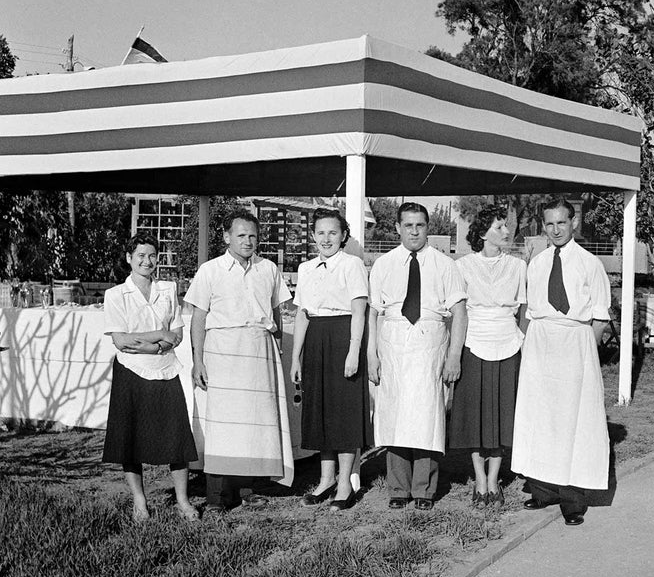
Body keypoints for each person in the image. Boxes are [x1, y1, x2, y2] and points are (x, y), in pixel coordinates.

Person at [184, 210, 294, 513]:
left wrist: (278, 349)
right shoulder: (210, 270)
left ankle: (247, 490)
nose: (248, 241)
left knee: (253, 425)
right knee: (224, 426)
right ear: (226, 236)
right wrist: (198, 360)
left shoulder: (268, 269)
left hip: (259, 350)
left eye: (253, 236)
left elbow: (275, 314)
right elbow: (199, 318)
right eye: (241, 235)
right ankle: (218, 498)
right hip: (222, 352)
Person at [511, 198, 611, 526]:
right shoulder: (537, 263)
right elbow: (528, 311)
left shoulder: (589, 263)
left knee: (574, 420)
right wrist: (526, 345)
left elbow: (599, 317)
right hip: (541, 342)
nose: (556, 230)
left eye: (562, 223)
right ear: (544, 225)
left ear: (574, 223)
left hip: (574, 342)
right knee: (541, 416)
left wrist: (587, 355)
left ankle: (572, 499)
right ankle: (543, 489)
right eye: (550, 224)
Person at [368, 202, 466, 510]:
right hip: (393, 342)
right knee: (394, 414)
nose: (414, 231)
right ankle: (398, 488)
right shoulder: (384, 264)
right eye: (408, 225)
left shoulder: (444, 264)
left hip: (429, 342)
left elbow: (460, 313)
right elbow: (373, 313)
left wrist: (454, 356)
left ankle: (424, 489)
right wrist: (371, 354)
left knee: (427, 416)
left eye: (420, 225)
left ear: (427, 228)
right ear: (397, 227)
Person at [102, 232, 198, 523]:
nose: (147, 261)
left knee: (176, 437)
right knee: (130, 440)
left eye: (152, 255)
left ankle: (182, 500)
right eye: (140, 255)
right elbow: (120, 341)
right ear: (129, 259)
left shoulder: (168, 289)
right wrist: (158, 335)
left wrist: (154, 346)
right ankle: (140, 502)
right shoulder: (116, 295)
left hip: (166, 369)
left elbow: (178, 334)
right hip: (131, 371)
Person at [290, 208, 371, 511]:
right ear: (313, 236)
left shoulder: (352, 265)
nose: (326, 239)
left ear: (344, 236)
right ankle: (325, 480)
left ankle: (345, 484)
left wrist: (353, 350)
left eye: (333, 233)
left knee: (344, 413)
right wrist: (296, 358)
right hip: (316, 340)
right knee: (322, 411)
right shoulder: (306, 268)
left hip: (343, 337)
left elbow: (359, 311)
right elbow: (302, 314)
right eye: (321, 233)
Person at [449, 205, 526, 507]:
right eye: (499, 226)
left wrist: (524, 343)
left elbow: (523, 311)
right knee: (475, 415)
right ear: (483, 233)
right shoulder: (463, 266)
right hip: (474, 344)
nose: (507, 231)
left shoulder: (519, 266)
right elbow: (458, 313)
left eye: (506, 226)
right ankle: (479, 479)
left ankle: (494, 480)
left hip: (508, 344)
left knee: (501, 413)